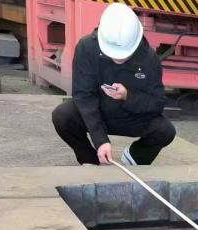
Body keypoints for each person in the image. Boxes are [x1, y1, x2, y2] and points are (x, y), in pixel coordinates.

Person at [52, 3, 176, 166]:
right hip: (98, 111)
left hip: (130, 116)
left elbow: (157, 103)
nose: (119, 59)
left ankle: (134, 158)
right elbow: (84, 96)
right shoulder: (87, 47)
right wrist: (100, 140)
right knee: (63, 116)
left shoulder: (149, 58)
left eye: (124, 54)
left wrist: (128, 96)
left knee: (165, 131)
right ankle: (90, 161)